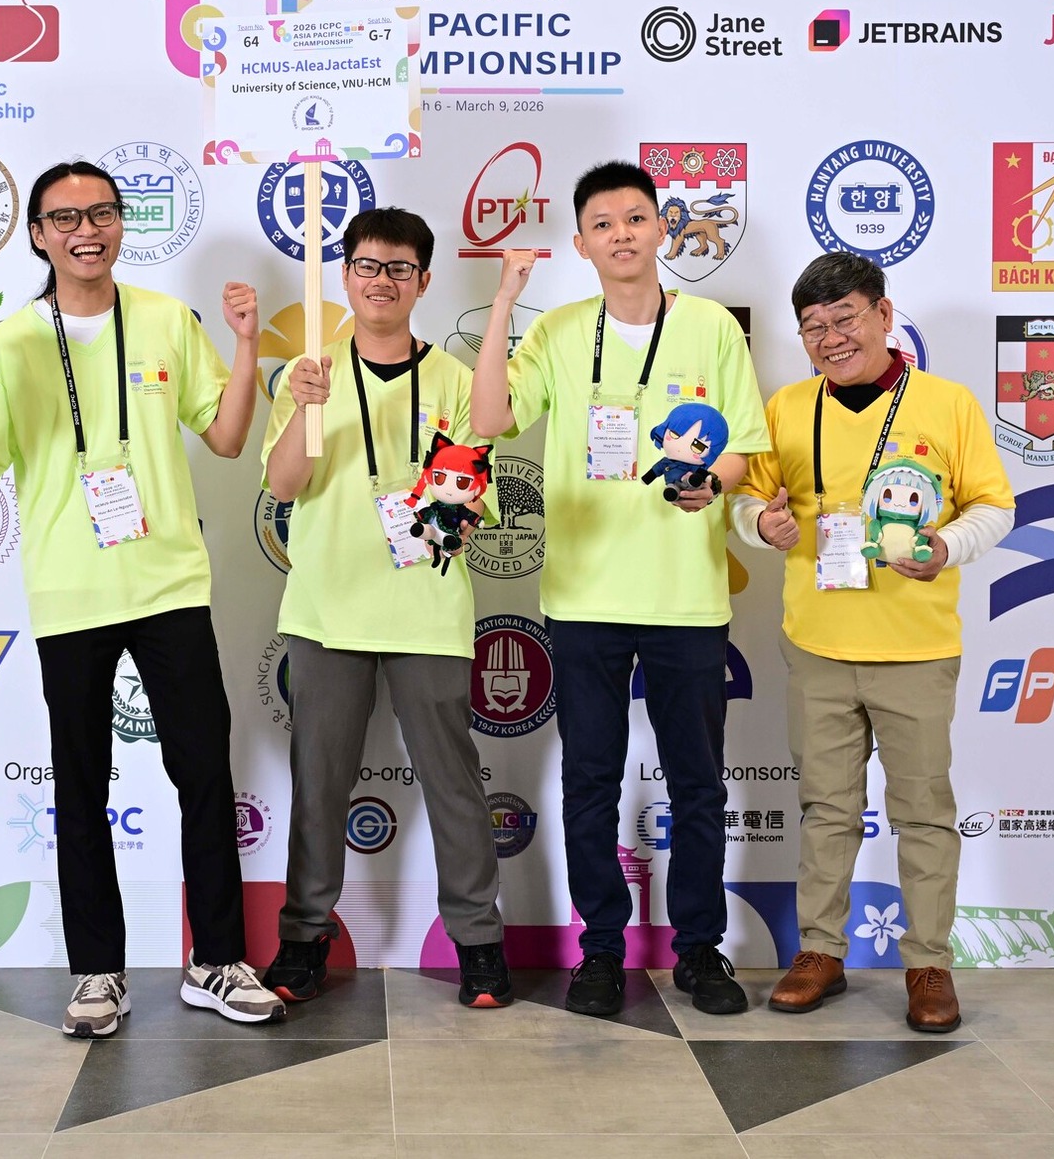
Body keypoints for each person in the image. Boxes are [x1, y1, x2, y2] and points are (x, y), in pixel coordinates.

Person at [0, 159, 284, 1038]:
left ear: (121, 223)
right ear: (38, 234)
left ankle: (217, 959)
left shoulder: (164, 319)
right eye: (66, 217)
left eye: (103, 213)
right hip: (71, 589)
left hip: (169, 581)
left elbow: (228, 437)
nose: (87, 230)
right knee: (81, 784)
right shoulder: (5, 344)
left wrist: (244, 343)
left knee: (204, 772)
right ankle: (97, 972)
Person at [469, 161, 770, 1018]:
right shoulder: (560, 330)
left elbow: (743, 449)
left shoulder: (711, 325)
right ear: (581, 243)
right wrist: (504, 302)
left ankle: (700, 949)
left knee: (698, 783)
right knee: (591, 781)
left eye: (636, 217)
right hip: (584, 597)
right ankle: (600, 949)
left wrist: (710, 483)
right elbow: (490, 420)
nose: (622, 234)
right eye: (603, 223)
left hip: (685, 598)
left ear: (663, 227)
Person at [730, 252, 1014, 1033]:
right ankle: (819, 951)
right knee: (827, 808)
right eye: (813, 326)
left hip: (916, 645)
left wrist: (945, 548)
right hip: (817, 641)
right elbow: (748, 503)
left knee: (923, 811)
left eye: (845, 318)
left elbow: (994, 507)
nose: (831, 337)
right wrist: (761, 524)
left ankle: (928, 963)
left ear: (884, 315)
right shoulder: (788, 407)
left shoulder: (948, 403)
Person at [259, 207, 511, 1009]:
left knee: (454, 783)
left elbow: (474, 501)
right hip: (327, 607)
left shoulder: (458, 382)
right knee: (318, 782)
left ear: (423, 281)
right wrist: (307, 408)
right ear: (345, 276)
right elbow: (284, 484)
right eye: (367, 265)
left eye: (400, 268)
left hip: (426, 608)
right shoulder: (310, 374)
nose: (381, 280)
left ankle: (479, 942)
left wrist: (451, 508)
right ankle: (304, 937)